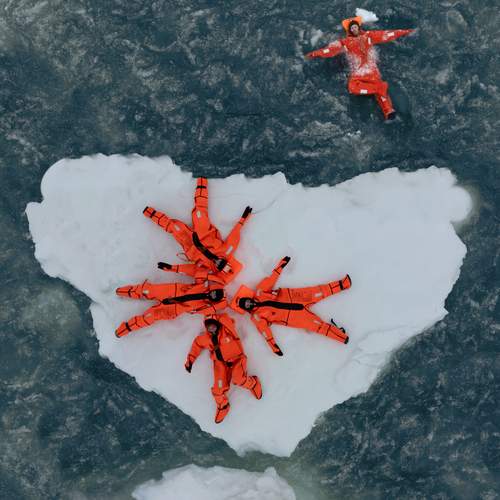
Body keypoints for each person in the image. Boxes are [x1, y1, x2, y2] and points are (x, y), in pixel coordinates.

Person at [230, 257, 351, 355]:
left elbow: (271, 280)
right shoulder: (256, 317)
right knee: (318, 327)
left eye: (247, 301)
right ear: (246, 309)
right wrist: (274, 346)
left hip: (295, 297)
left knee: (319, 291)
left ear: (248, 298)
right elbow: (265, 332)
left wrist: (280, 266)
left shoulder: (259, 292)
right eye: (246, 305)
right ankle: (342, 337)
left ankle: (343, 284)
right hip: (295, 318)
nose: (249, 303)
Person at [143, 177, 252, 284]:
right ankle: (202, 180)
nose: (218, 262)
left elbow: (191, 270)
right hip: (204, 232)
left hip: (190, 245)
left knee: (174, 227)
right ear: (226, 261)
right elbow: (235, 235)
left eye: (219, 266)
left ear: (219, 270)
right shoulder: (227, 251)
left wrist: (172, 268)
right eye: (221, 262)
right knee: (199, 211)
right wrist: (243, 219)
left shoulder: (207, 270)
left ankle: (150, 213)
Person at [305, 16, 414, 120]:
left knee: (359, 88)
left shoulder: (368, 36)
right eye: (352, 28)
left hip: (369, 72)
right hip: (361, 73)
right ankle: (381, 93)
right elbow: (329, 50)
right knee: (366, 88)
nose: (354, 29)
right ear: (349, 30)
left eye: (355, 27)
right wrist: (314, 54)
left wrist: (405, 32)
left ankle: (388, 110)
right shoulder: (346, 42)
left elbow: (387, 34)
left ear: (358, 27)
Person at [185, 315, 262, 423]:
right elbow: (196, 345)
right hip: (221, 365)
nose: (211, 328)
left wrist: (215, 316)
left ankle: (253, 383)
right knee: (218, 389)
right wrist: (190, 361)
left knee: (239, 379)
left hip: (237, 360)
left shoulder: (227, 329)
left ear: (217, 324)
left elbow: (226, 319)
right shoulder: (205, 338)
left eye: (213, 325)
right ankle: (223, 406)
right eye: (209, 327)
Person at [114, 280, 226, 338]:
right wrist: (173, 268)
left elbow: (212, 315)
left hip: (173, 309)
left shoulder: (206, 307)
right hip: (171, 291)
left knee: (149, 318)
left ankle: (125, 329)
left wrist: (220, 304)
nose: (212, 294)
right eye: (214, 292)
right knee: (147, 290)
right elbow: (191, 269)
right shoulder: (203, 284)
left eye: (214, 297)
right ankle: (122, 291)